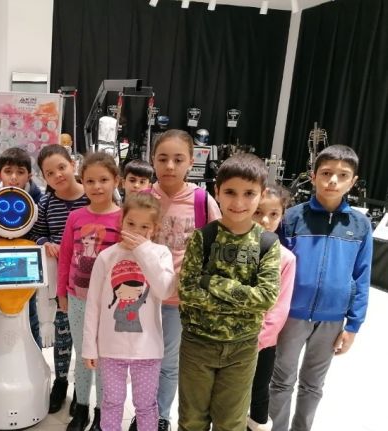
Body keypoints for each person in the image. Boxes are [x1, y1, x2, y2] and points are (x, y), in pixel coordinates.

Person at [269, 145, 372, 431]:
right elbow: (275, 267)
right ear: (313, 176)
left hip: (331, 320)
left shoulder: (360, 225)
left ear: (353, 181)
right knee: (281, 380)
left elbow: (362, 276)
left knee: (313, 385)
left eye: (343, 175)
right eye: (326, 173)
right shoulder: (291, 218)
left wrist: (354, 325)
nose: (333, 181)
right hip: (291, 315)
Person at [177, 152, 280, 431]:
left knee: (231, 422)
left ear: (261, 195)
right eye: (230, 192)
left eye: (249, 193)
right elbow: (187, 292)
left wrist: (212, 282)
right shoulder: (204, 237)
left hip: (242, 349)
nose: (238, 202)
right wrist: (243, 301)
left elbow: (266, 298)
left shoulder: (268, 243)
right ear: (217, 192)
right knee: (191, 420)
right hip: (198, 343)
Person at [128, 129, 221, 431]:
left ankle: (161, 416)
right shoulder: (142, 199)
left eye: (178, 159)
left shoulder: (202, 201)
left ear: (191, 162)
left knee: (168, 363)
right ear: (152, 160)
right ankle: (142, 413)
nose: (169, 166)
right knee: (142, 361)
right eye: (163, 158)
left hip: (178, 300)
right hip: (142, 296)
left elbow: (215, 247)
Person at [82, 191, 175, 431]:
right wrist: (89, 347)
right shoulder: (107, 256)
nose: (136, 231)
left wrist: (143, 251)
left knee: (146, 405)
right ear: (121, 220)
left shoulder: (160, 254)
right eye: (131, 223)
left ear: (154, 229)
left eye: (144, 227)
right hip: (111, 348)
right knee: (111, 402)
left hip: (147, 349)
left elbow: (164, 290)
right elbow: (93, 304)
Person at [58, 152, 122, 431]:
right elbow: (65, 256)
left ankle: (101, 412)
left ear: (116, 180)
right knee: (84, 356)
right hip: (77, 299)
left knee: (105, 359)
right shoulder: (75, 217)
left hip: (110, 303)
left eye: (103, 180)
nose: (97, 186)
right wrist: (61, 292)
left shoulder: (123, 218)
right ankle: (81, 408)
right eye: (90, 181)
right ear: (82, 182)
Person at [29, 144, 90, 414]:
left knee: (86, 339)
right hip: (61, 281)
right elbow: (36, 233)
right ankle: (60, 382)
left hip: (89, 281)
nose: (58, 175)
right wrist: (45, 243)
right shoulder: (46, 203)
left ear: (73, 165)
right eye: (50, 173)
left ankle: (81, 390)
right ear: (44, 177)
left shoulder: (92, 195)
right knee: (62, 334)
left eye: (62, 167)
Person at [246, 184, 296, 431]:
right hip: (230, 337)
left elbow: (279, 307)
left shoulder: (286, 258)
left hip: (262, 342)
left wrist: (259, 338)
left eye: (273, 214)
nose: (265, 220)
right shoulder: (231, 249)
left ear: (282, 216)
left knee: (259, 390)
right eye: (258, 212)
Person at [0, 146, 43, 346]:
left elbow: (43, 227)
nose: (14, 177)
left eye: (20, 172)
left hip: (26, 263)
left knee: (30, 310)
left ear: (29, 176)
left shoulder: (38, 200)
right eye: (8, 171)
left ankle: (35, 351)